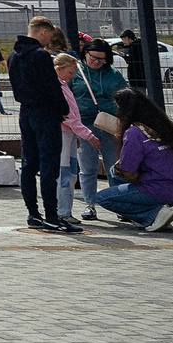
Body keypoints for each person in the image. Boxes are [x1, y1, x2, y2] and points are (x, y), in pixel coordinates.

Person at [8, 16, 70, 232]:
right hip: (45, 114)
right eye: (50, 36)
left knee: (29, 164)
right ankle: (52, 217)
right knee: (49, 165)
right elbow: (52, 87)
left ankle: (33, 214)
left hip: (25, 112)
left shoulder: (13, 55)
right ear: (43, 31)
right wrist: (64, 110)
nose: (49, 41)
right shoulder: (41, 56)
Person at [95, 88, 173, 232]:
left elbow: (127, 169)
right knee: (113, 171)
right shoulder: (161, 126)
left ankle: (152, 215)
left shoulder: (134, 133)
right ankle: (158, 212)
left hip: (153, 189)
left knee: (102, 198)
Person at [50, 52, 105, 230]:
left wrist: (78, 135)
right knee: (65, 173)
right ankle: (62, 211)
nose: (72, 76)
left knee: (70, 172)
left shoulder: (62, 85)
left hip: (69, 135)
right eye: (70, 72)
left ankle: (64, 210)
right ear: (59, 69)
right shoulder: (57, 88)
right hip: (63, 135)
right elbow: (69, 117)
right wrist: (88, 135)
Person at [75, 40, 127, 188]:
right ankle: (90, 204)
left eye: (101, 59)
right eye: (94, 57)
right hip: (84, 125)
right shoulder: (76, 71)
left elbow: (126, 94)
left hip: (109, 124)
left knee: (113, 166)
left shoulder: (113, 73)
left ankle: (117, 202)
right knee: (88, 168)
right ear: (85, 53)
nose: (97, 62)